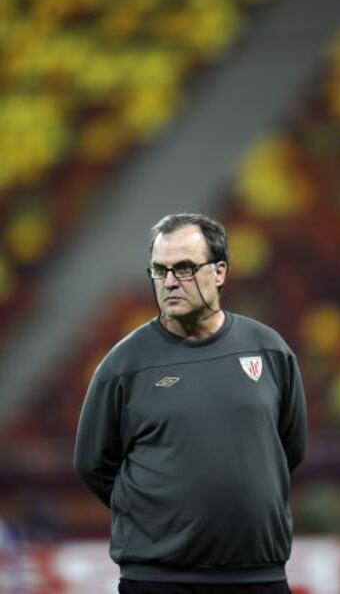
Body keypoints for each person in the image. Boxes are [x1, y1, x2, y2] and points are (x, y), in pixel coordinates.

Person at [74, 213, 307, 594]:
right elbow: (92, 464)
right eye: (159, 270)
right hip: (158, 580)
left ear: (219, 272)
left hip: (258, 576)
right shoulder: (123, 365)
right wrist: (156, 518)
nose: (169, 282)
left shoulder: (270, 351)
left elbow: (288, 449)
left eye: (183, 268)